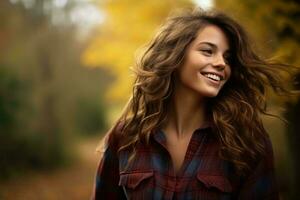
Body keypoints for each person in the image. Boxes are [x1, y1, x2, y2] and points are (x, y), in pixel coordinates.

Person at [91, 7, 294, 200]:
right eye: (208, 51)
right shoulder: (127, 135)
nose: (221, 63)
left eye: (228, 58)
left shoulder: (247, 140)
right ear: (175, 56)